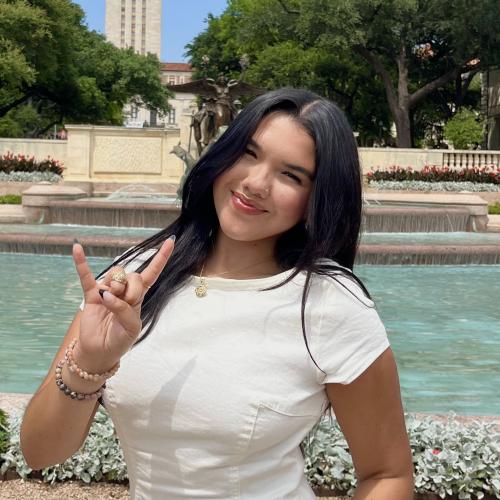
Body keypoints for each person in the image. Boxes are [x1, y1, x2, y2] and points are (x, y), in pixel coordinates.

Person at [20, 88, 414, 499]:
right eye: (248, 153)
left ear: (317, 198)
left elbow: (388, 474)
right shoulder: (135, 277)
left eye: (291, 175)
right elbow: (39, 452)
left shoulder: (327, 302)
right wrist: (90, 362)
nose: (255, 183)